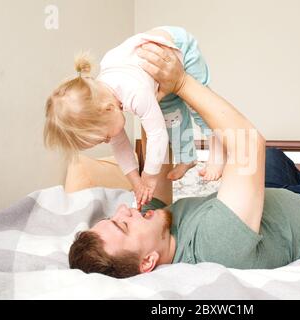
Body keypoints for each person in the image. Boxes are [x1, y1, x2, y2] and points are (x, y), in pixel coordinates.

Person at [68, 42, 300, 279]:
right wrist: (181, 83)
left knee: (270, 161)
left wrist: (142, 99)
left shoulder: (158, 227)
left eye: (114, 216)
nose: (124, 211)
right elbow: (247, 142)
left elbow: (158, 160)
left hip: (279, 206)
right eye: (124, 226)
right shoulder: (213, 245)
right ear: (148, 263)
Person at [44, 26, 224, 210]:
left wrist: (149, 176)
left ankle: (217, 150)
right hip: (153, 77)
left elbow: (157, 137)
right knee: (171, 117)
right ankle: (188, 158)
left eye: (104, 137)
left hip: (179, 48)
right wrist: (136, 182)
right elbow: (121, 148)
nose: (108, 141)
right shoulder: (104, 102)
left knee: (198, 105)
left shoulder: (135, 93)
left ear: (108, 109)